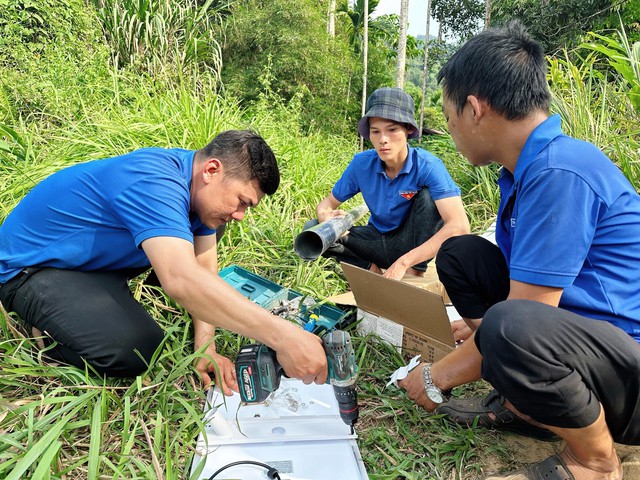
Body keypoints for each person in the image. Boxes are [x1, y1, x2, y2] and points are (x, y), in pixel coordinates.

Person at [398, 22, 640, 480]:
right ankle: (530, 402)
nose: (452, 133)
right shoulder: (525, 171)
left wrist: (438, 376)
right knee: (462, 257)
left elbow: (525, 316)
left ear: (474, 110)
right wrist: (485, 341)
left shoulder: (561, 172)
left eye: (449, 121)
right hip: (589, 345)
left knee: (510, 327)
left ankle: (595, 460)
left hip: (629, 372)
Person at [0, 130, 327, 395]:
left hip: (93, 266)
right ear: (212, 170)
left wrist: (206, 346)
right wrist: (284, 336)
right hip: (31, 270)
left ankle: (99, 306)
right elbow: (183, 279)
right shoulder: (153, 181)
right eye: (242, 201)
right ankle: (43, 338)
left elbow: (203, 267)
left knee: (214, 222)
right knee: (135, 348)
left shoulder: (197, 189)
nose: (241, 215)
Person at [309, 87, 469, 280]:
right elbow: (326, 204)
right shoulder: (361, 164)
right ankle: (370, 269)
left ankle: (414, 271)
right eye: (375, 132)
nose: (383, 140)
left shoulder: (428, 165)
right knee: (313, 229)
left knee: (428, 198)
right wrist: (325, 215)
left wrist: (405, 262)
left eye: (392, 130)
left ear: (408, 129)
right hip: (375, 239)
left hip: (409, 243)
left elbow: (459, 225)